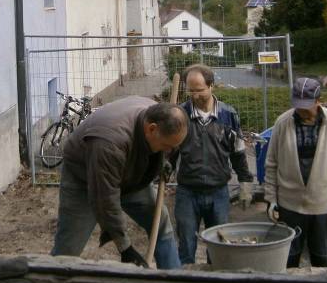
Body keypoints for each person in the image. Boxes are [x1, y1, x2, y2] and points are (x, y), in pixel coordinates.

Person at [51, 96, 188, 269]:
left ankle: (173, 278)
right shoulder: (109, 141)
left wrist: (162, 161)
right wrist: (125, 248)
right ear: (151, 129)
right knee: (68, 250)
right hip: (85, 181)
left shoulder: (158, 115)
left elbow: (161, 146)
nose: (169, 151)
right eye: (166, 146)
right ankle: (51, 278)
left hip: (131, 175)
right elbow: (105, 198)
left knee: (160, 223)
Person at [169, 64, 254, 265]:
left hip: (219, 192)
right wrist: (165, 167)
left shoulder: (228, 115)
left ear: (211, 86)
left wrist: (245, 182)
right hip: (187, 192)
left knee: (218, 247)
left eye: (199, 90)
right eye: (191, 91)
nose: (194, 95)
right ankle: (186, 281)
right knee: (186, 245)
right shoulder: (180, 115)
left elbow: (238, 152)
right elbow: (170, 150)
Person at [264, 76, 327, 268]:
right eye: (297, 105)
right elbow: (271, 164)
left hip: (322, 206)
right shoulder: (283, 123)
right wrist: (271, 199)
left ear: (318, 101)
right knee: (288, 258)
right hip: (289, 205)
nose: (301, 110)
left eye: (306, 106)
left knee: (321, 258)